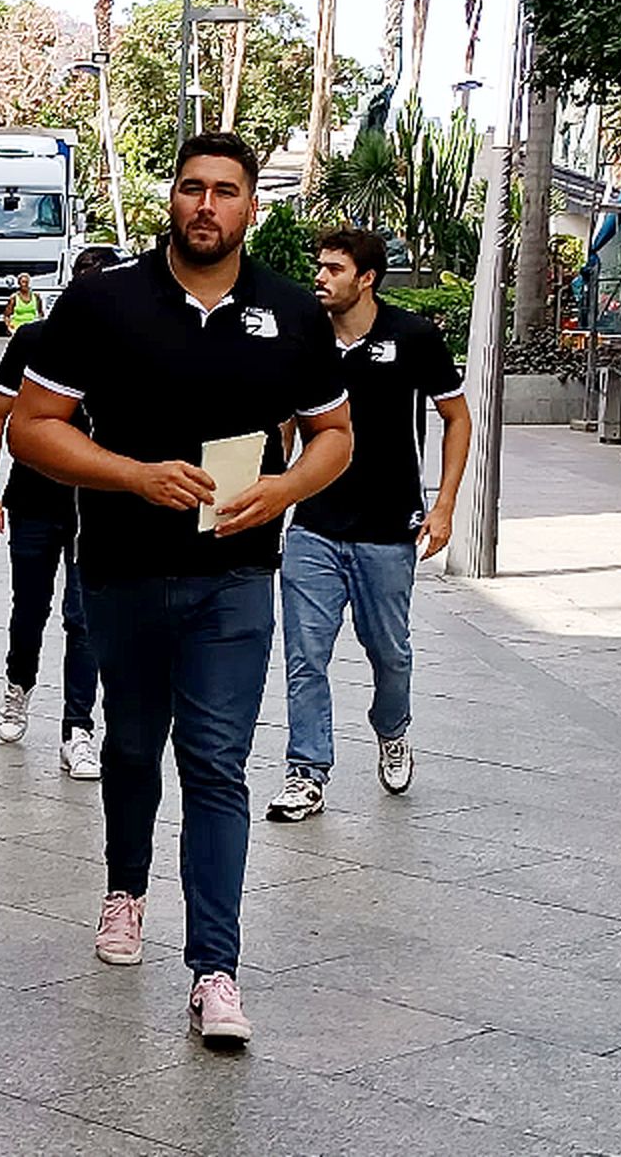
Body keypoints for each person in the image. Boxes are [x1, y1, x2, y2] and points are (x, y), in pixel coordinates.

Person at [10, 132, 353, 1048]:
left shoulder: (290, 311)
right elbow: (32, 431)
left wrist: (282, 490)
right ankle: (125, 890)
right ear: (172, 198)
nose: (208, 205)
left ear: (252, 207)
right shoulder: (103, 300)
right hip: (121, 568)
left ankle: (215, 969)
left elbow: (334, 436)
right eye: (193, 188)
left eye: (227, 192)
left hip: (237, 576)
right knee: (130, 747)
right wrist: (130, 475)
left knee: (214, 765)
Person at [265, 229, 471, 822]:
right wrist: (271, 494)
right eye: (319, 267)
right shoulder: (304, 337)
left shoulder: (414, 336)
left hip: (389, 528)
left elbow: (457, 418)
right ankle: (306, 772)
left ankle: (393, 727)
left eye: (333, 269)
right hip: (315, 524)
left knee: (391, 653)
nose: (320, 277)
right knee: (306, 654)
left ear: (366, 279)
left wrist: (444, 505)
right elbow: (284, 423)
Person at [0, 245, 119, 779]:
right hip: (35, 499)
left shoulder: (124, 347)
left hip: (99, 508)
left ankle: (78, 729)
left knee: (84, 620)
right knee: (29, 608)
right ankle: (18, 684)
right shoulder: (37, 340)